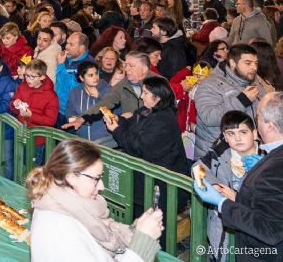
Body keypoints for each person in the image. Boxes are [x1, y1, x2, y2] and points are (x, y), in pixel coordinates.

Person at [27, 139, 163, 262]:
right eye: (96, 178)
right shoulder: (61, 231)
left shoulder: (68, 206)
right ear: (71, 177)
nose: (102, 186)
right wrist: (143, 241)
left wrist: (137, 230)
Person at [194, 92, 283, 262]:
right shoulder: (222, 152)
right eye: (230, 134)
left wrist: (222, 203)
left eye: (258, 117)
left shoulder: (273, 168)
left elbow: (270, 229)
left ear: (268, 126)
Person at [104, 75, 189, 245]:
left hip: (162, 188)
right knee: (139, 224)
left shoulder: (164, 121)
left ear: (157, 98)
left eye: (145, 93)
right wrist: (118, 120)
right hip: (144, 185)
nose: (141, 96)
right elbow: (131, 127)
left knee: (156, 232)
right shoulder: (146, 111)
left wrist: (116, 131)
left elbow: (139, 147)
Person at [193, 111, 261, 262]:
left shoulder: (268, 158)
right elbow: (197, 168)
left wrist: (237, 198)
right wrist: (211, 185)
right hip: (220, 228)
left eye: (243, 132)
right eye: (231, 133)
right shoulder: (219, 153)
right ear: (225, 137)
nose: (237, 138)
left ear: (255, 133)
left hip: (251, 231)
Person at [193, 44, 267, 158]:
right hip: (218, 157)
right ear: (233, 63)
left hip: (249, 152)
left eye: (256, 63)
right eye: (248, 63)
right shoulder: (210, 84)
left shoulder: (253, 81)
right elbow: (208, 116)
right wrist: (242, 101)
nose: (254, 67)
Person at [65, 52, 156, 131]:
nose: (126, 69)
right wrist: (82, 119)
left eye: (131, 66)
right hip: (130, 134)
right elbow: (106, 103)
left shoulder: (159, 83)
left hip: (153, 132)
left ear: (144, 69)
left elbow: (166, 111)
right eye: (126, 65)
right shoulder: (123, 84)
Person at [11, 59, 59, 165]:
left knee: (31, 169)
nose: (28, 79)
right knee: (18, 166)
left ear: (42, 77)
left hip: (36, 140)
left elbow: (51, 120)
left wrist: (31, 115)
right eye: (26, 75)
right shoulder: (22, 87)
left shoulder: (51, 96)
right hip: (20, 134)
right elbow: (13, 105)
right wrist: (15, 104)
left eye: (32, 77)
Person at [64, 61, 116, 147]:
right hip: (82, 141)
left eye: (96, 73)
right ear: (81, 77)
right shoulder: (75, 92)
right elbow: (70, 114)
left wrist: (98, 96)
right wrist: (76, 120)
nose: (95, 77)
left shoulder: (106, 88)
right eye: (90, 75)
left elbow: (113, 113)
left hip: (104, 141)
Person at [55, 32, 94, 125]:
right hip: (59, 109)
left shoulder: (89, 65)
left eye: (71, 44)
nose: (66, 47)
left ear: (82, 47)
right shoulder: (67, 59)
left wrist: (60, 65)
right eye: (67, 43)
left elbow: (73, 88)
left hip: (73, 114)